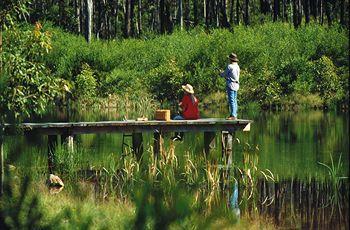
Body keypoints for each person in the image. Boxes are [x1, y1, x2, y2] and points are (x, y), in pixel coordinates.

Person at [220, 53, 240, 120]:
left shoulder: (230, 66)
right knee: (234, 100)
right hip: (236, 84)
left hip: (231, 85)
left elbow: (223, 75)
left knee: (231, 100)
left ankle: (233, 115)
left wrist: (221, 73)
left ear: (230, 59)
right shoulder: (237, 66)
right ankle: (234, 114)